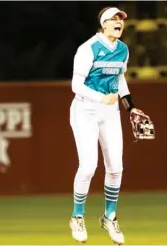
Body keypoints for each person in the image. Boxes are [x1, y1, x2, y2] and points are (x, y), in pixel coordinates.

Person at [68, 6, 154, 245]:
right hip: (85, 109)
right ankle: (77, 216)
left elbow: (120, 79)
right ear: (104, 23)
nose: (119, 22)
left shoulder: (122, 50)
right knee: (88, 167)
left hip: (110, 111)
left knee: (116, 168)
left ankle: (110, 217)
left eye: (121, 20)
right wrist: (100, 98)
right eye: (114, 19)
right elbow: (75, 85)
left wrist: (131, 107)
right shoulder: (88, 49)